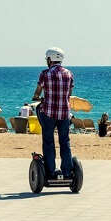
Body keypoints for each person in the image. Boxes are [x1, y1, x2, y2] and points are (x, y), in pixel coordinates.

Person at [32, 47, 74, 178]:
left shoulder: (45, 74)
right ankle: (67, 171)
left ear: (50, 59)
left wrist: (38, 97)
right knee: (64, 142)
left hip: (49, 113)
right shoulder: (69, 74)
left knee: (49, 141)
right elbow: (69, 94)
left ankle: (50, 170)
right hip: (64, 113)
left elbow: (37, 93)